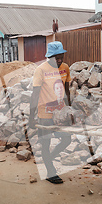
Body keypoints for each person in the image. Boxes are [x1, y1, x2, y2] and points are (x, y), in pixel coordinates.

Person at [29, 41, 72, 184]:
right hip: (45, 114)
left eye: (61, 57)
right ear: (49, 57)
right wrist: (31, 118)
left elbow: (66, 90)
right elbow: (35, 94)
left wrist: (69, 110)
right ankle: (50, 171)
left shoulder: (65, 68)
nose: (59, 61)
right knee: (45, 143)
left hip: (60, 114)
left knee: (67, 139)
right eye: (56, 58)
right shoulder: (41, 70)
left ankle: (49, 159)